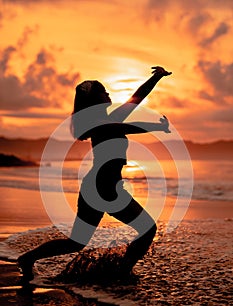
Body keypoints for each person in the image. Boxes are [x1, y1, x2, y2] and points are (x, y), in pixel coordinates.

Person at [18, 66, 172, 281]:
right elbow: (126, 127)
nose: (108, 94)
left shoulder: (108, 119)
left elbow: (135, 99)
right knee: (147, 230)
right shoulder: (100, 123)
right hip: (104, 188)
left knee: (77, 242)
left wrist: (156, 78)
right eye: (104, 91)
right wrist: (156, 127)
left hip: (99, 186)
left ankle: (28, 258)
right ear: (94, 99)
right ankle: (123, 271)